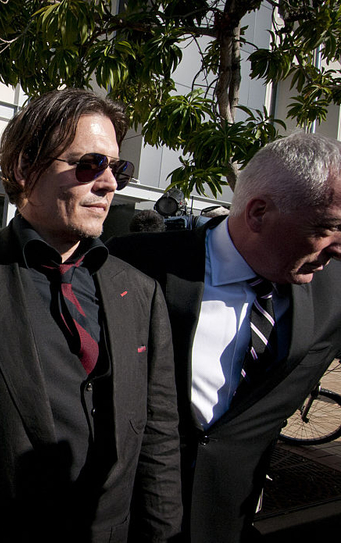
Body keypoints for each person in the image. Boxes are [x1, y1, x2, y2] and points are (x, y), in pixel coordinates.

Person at [0, 88, 182, 542]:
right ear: (26, 167)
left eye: (117, 169)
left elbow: (158, 439)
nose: (107, 184)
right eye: (89, 165)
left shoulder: (139, 292)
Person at [107, 132, 341, 543]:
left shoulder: (334, 290)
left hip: (230, 520)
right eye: (327, 228)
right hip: (125, 517)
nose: (338, 248)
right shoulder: (137, 263)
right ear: (258, 213)